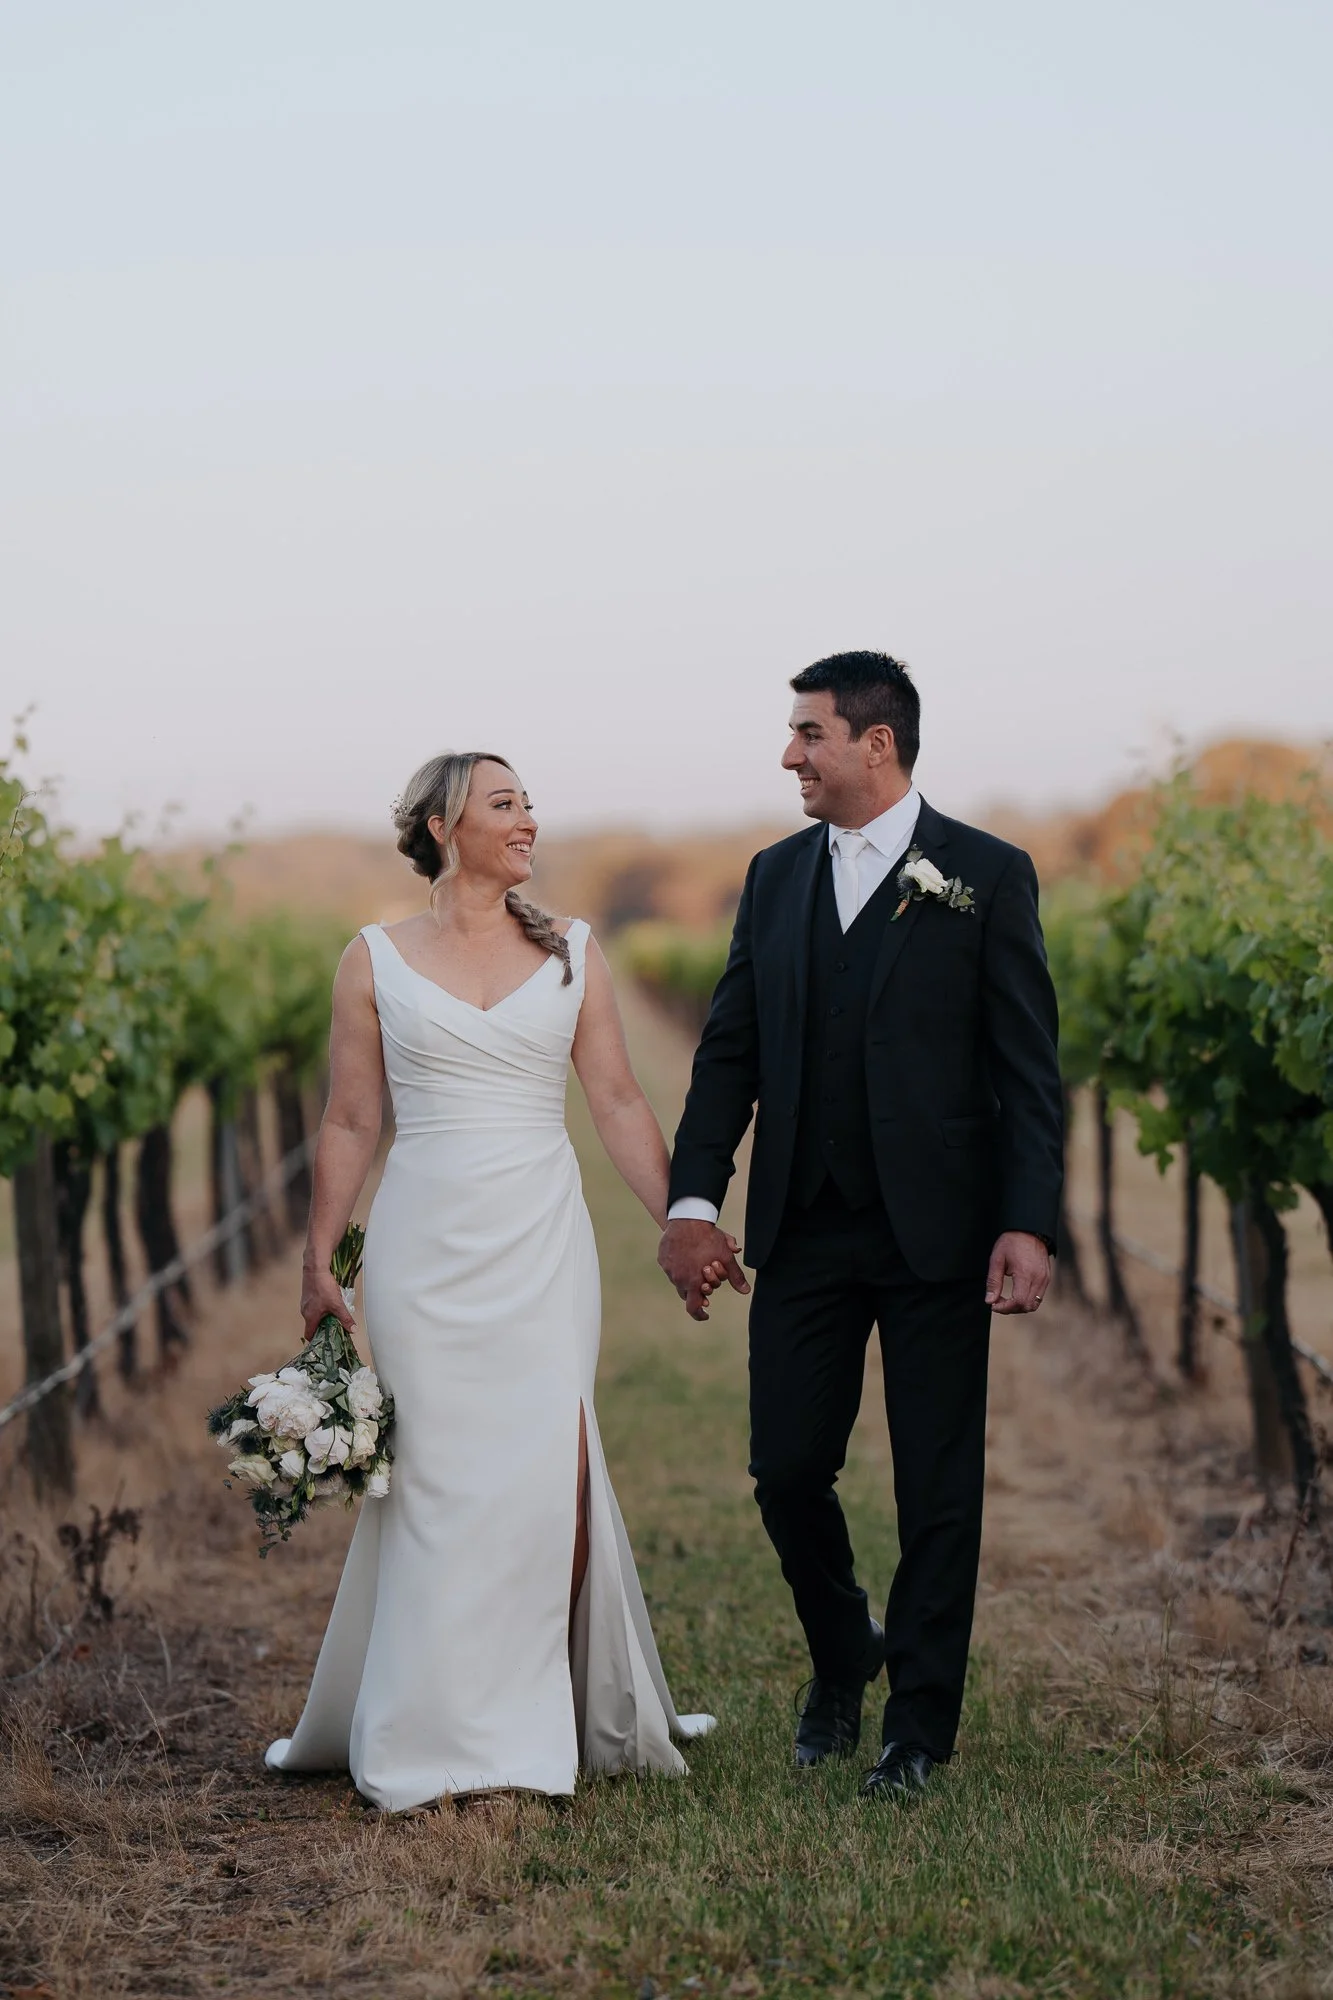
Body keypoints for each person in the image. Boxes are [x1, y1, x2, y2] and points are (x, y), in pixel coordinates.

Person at [265, 751, 715, 1811]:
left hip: (540, 1240)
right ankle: (427, 1721)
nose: (528, 820)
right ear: (439, 824)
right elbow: (349, 1118)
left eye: (528, 803)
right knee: (434, 1476)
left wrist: (681, 1222)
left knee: (537, 1466)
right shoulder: (370, 957)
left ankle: (531, 1715)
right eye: (504, 803)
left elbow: (613, 1101)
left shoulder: (576, 953)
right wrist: (322, 1256)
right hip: (424, 1246)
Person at [658, 653, 1063, 1799]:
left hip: (941, 1233)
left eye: (808, 733)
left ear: (874, 743)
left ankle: (916, 1729)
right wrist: (696, 1199)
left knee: (939, 1483)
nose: (790, 754)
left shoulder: (987, 872)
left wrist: (1026, 1221)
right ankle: (846, 1649)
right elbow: (729, 1047)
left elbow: (1027, 1070)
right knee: (786, 1466)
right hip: (805, 1223)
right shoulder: (774, 876)